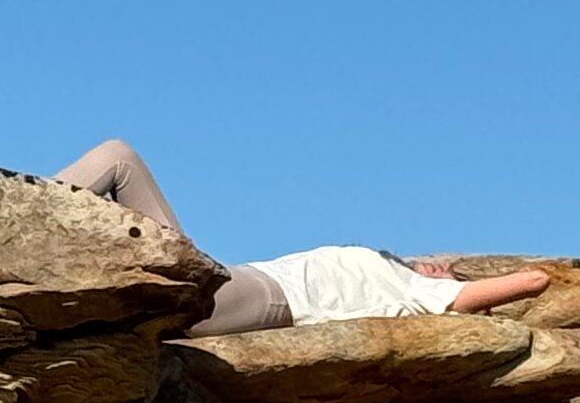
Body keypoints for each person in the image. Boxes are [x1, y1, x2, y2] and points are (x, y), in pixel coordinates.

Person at [49, 136, 553, 336]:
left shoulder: (422, 292)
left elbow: (533, 281)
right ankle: (23, 223)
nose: (437, 263)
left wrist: (458, 283)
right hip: (234, 282)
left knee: (119, 158)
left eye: (448, 270)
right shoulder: (398, 273)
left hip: (243, 296)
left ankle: (15, 215)